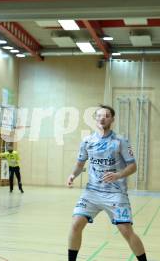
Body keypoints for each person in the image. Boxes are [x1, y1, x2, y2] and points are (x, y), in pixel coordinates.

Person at [67, 105, 148, 261]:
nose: (102, 118)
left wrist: (118, 175)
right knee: (76, 224)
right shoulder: (87, 141)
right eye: (99, 116)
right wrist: (72, 175)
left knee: (126, 231)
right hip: (92, 193)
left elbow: (133, 166)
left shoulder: (120, 141)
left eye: (106, 115)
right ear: (95, 119)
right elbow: (79, 165)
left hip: (115, 194)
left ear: (112, 119)